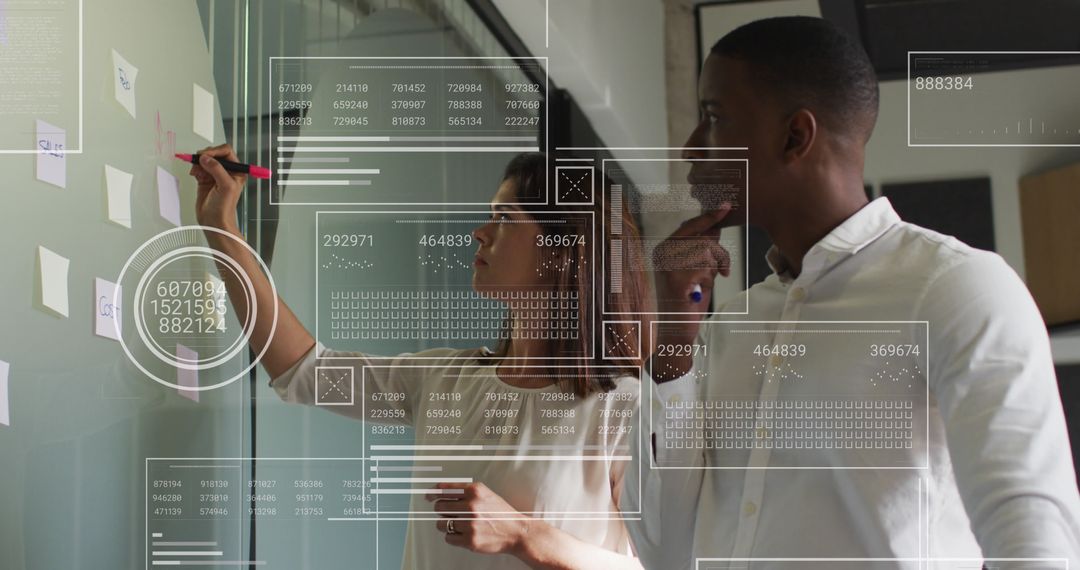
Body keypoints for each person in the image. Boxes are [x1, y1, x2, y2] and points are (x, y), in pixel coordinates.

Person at [624, 16, 1080, 570]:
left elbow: (1033, 538)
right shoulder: (726, 329)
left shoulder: (957, 289)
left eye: (713, 118)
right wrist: (672, 344)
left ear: (795, 136)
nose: (691, 149)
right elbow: (666, 553)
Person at [189, 149, 648, 570]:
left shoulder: (625, 407)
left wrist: (523, 534)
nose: (480, 232)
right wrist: (220, 229)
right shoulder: (445, 380)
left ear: (563, 249)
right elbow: (303, 370)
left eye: (504, 218)